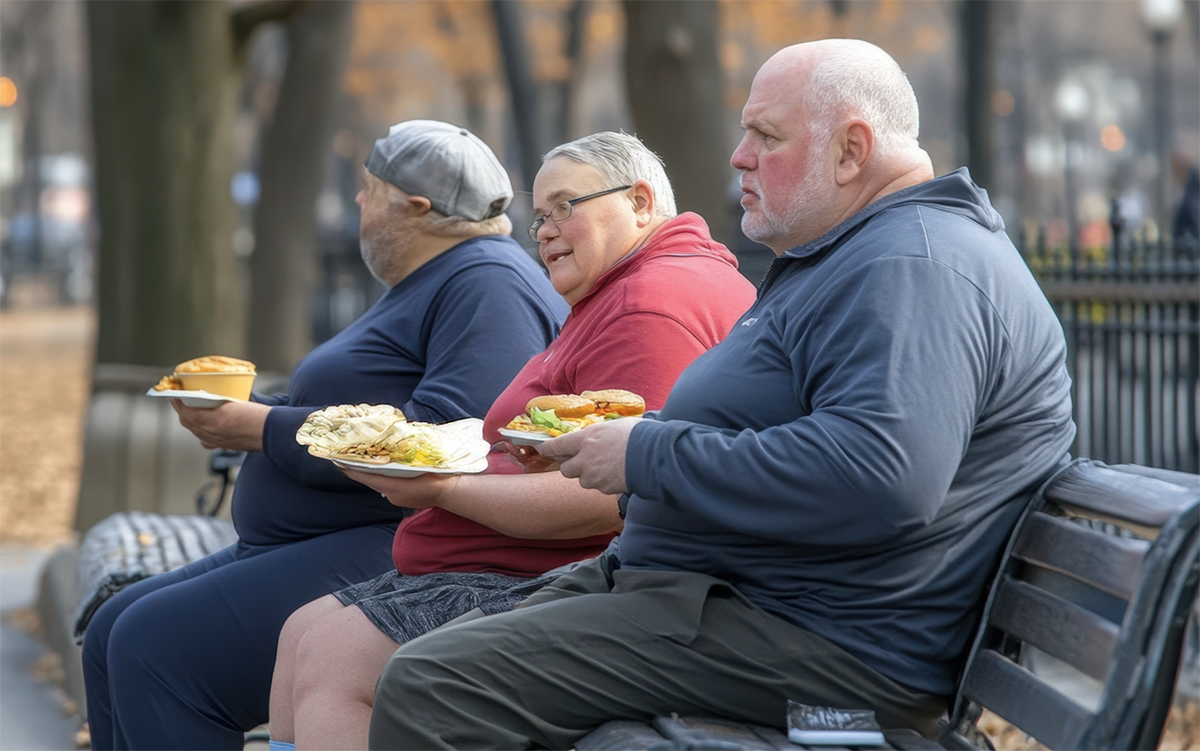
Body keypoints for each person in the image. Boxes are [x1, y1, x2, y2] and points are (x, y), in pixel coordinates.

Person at [366, 39, 1077, 750]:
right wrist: (631, 450)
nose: (739, 155)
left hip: (824, 641)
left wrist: (646, 454)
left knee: (433, 687)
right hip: (734, 599)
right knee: (430, 656)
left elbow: (883, 474)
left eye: (766, 136)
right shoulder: (860, 252)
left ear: (852, 150)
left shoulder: (912, 266)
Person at [81, 120, 571, 751]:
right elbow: (368, 406)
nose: (360, 204)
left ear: (414, 208)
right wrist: (257, 414)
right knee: (111, 630)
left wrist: (262, 428)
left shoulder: (487, 282)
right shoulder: (433, 278)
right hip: (314, 537)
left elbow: (449, 437)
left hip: (396, 542)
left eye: (370, 190)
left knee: (154, 647)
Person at [265, 131, 757, 751]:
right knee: (302, 632)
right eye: (540, 216)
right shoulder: (629, 289)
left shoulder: (648, 304)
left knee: (334, 662)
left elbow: (616, 500)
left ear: (638, 202)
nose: (546, 229)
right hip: (505, 564)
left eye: (565, 206)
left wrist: (439, 486)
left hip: (569, 578)